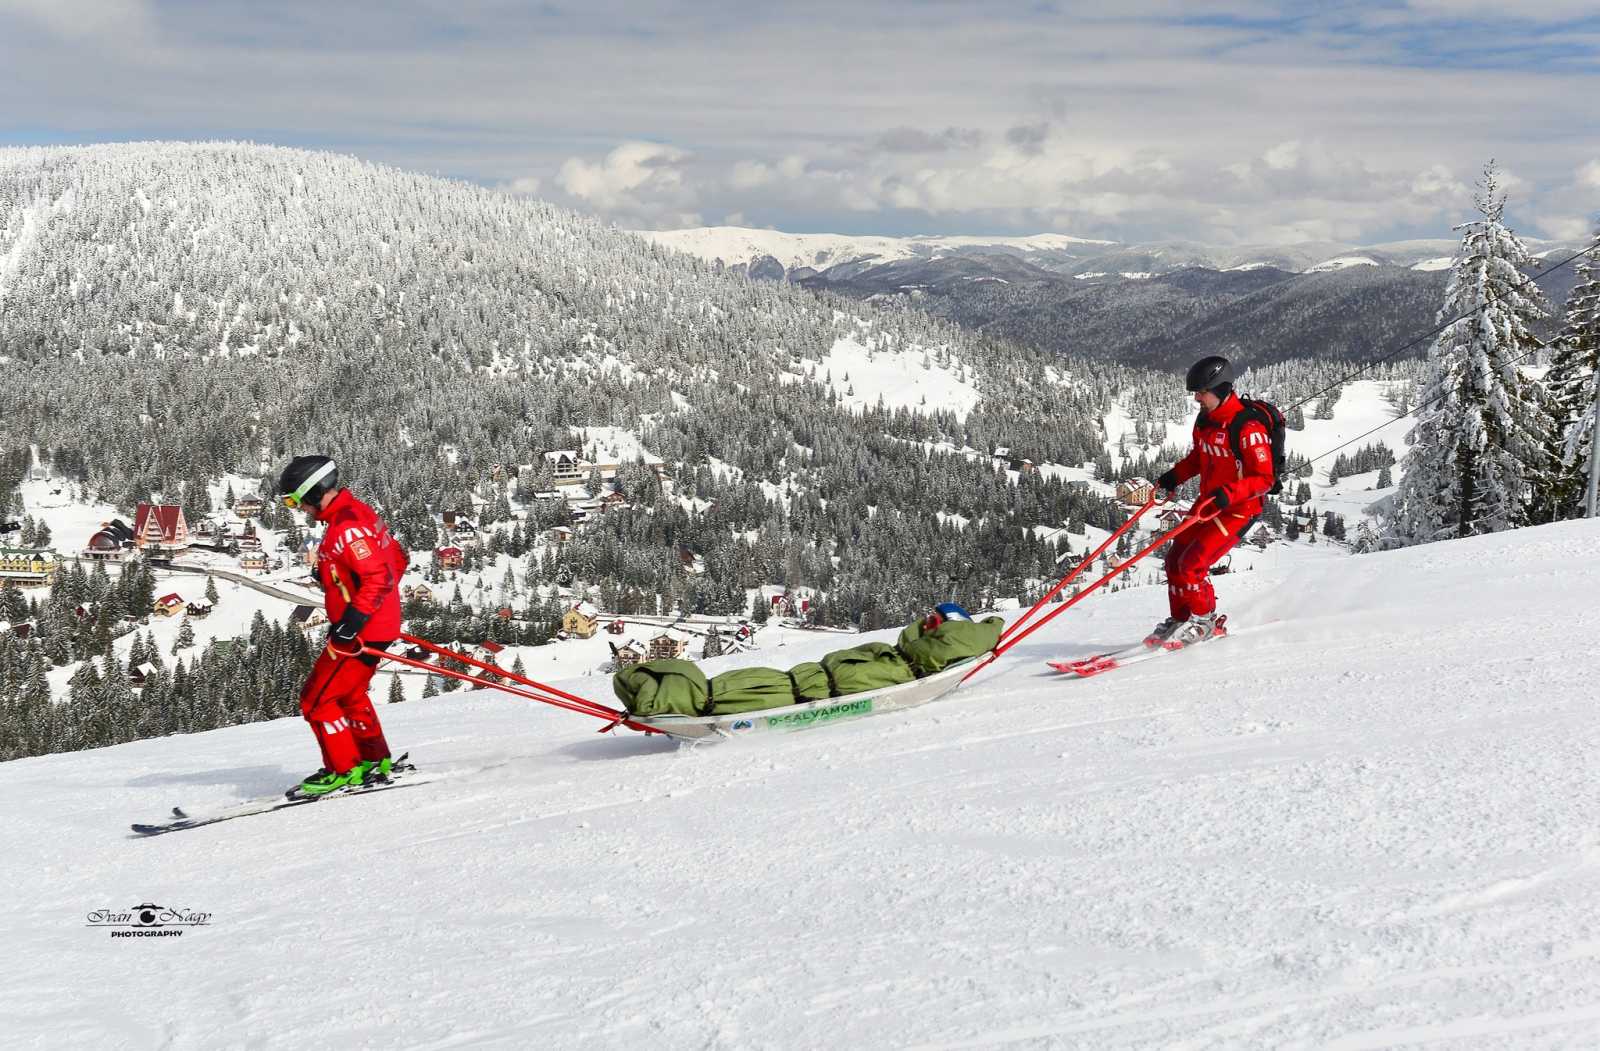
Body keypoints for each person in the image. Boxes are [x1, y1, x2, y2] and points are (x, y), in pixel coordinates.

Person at [277, 455, 410, 797]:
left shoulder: (346, 528)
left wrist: (353, 621)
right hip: (374, 625)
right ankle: (372, 760)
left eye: (295, 500)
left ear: (312, 490)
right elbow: (396, 559)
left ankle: (343, 769)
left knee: (316, 700)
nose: (298, 509)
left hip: (360, 631)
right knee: (349, 695)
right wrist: (335, 578)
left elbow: (379, 577)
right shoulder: (357, 514)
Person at [1149, 356, 1274, 648]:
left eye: (1201, 392)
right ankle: (1181, 619)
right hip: (1209, 504)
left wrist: (1230, 493)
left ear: (1219, 389)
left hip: (1238, 509)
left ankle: (1204, 621)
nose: (1196, 398)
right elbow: (1199, 458)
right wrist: (1173, 477)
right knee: (1174, 560)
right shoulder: (1205, 419)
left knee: (1193, 564)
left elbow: (1264, 478)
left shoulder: (1248, 428)